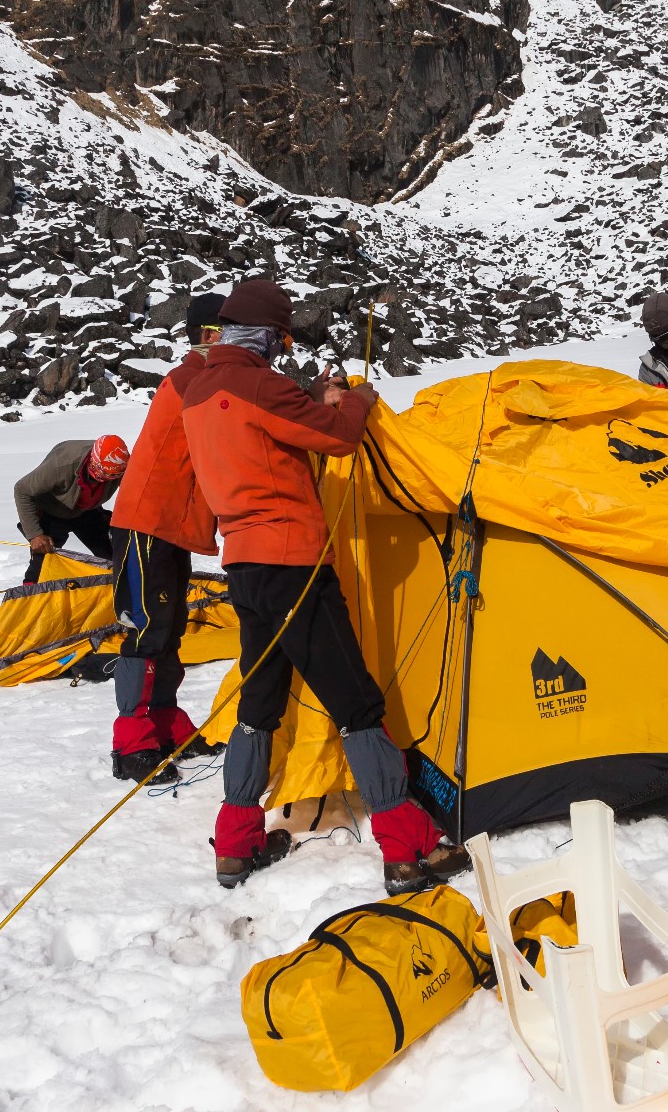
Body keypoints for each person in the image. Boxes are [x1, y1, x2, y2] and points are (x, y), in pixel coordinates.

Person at [183, 278, 470, 895]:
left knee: (259, 706)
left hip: (245, 568)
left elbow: (267, 424)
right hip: (294, 565)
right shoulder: (260, 383)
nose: (282, 353)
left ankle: (234, 841)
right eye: (280, 341)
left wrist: (310, 397)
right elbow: (337, 437)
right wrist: (355, 398)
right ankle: (407, 846)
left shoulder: (202, 389)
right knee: (357, 705)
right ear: (266, 336)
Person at [103, 293, 228, 784]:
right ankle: (130, 742)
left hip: (169, 525)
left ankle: (163, 721)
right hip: (147, 522)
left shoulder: (198, 378)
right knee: (145, 628)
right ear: (208, 336)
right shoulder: (192, 379)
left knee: (169, 626)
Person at [12, 433, 129, 582]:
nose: (108, 479)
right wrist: (35, 534)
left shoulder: (121, 466)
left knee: (114, 557)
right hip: (51, 509)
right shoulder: (62, 464)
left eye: (113, 476)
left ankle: (119, 595)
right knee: (42, 562)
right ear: (94, 462)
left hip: (86, 509)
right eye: (105, 475)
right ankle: (29, 598)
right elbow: (22, 490)